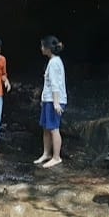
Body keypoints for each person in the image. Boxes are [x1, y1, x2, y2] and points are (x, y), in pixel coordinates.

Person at [34, 35, 67, 168]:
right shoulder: (54, 61)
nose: (41, 48)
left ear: (48, 48)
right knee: (46, 128)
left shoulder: (54, 63)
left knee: (54, 128)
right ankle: (46, 153)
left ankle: (56, 157)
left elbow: (55, 84)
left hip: (54, 100)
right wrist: (44, 99)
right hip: (48, 99)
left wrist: (56, 103)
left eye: (42, 46)